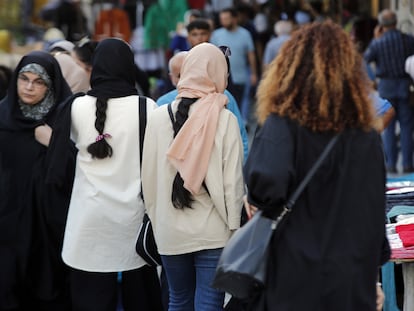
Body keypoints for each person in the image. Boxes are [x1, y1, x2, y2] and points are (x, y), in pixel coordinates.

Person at [243, 21, 390, 311]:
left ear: (290, 70)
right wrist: (373, 276)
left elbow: (264, 185)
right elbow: (374, 207)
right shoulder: (366, 134)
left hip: (294, 276)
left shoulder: (282, 125)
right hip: (350, 278)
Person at [45, 38, 163, 311]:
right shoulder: (148, 108)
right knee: (140, 299)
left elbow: (56, 171)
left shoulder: (75, 107)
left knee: (90, 301)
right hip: (132, 226)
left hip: (87, 224)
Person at [142, 42, 244, 311]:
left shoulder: (156, 117)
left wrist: (158, 219)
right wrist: (234, 231)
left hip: (169, 229)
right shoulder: (226, 119)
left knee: (178, 299)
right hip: (213, 231)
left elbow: (148, 179)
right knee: (209, 303)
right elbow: (233, 185)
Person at [0, 50, 73, 310]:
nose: (29, 87)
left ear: (51, 84)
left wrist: (55, 142)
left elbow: (80, 169)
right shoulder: (3, 117)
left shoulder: (65, 119)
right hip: (7, 224)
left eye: (39, 81)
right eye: (24, 79)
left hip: (49, 228)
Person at [156, 45, 249, 161]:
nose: (184, 78)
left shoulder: (226, 99)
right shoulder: (162, 105)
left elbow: (242, 141)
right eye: (179, 75)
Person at [364, 9, 414, 174]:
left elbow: (365, 59)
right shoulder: (408, 40)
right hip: (405, 85)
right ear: (396, 22)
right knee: (407, 126)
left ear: (381, 25)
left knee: (388, 127)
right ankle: (407, 164)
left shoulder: (378, 42)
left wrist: (375, 38)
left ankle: (390, 164)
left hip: (386, 85)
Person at [210, 7, 257, 108]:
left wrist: (253, 73)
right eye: (222, 19)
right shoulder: (216, 35)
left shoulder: (245, 34)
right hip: (222, 79)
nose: (223, 21)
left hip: (241, 76)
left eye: (226, 18)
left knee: (243, 104)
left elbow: (251, 54)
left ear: (234, 19)